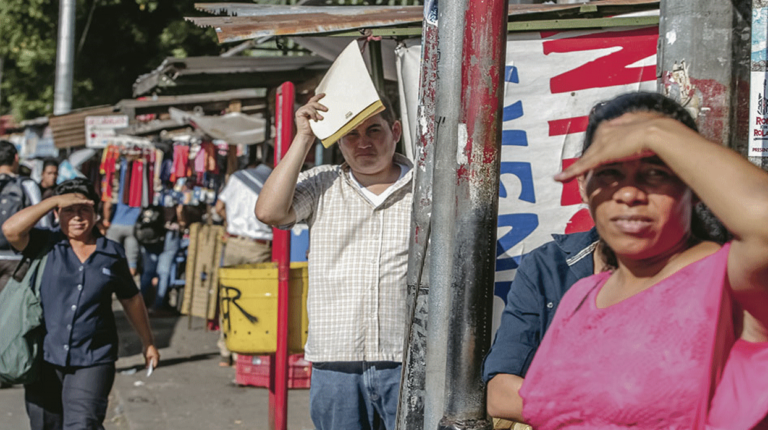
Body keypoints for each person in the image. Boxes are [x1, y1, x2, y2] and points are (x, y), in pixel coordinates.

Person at [500, 92, 768, 428]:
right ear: (584, 185)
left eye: (655, 173)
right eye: (609, 172)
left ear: (694, 187)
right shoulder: (581, 296)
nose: (628, 194)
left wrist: (653, 132)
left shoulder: (729, 281)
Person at [256, 93, 412, 430]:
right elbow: (269, 211)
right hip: (335, 362)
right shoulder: (322, 183)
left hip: (406, 360)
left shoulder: (425, 187)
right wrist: (304, 137)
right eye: (351, 134)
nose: (363, 143)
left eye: (374, 130)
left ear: (395, 131)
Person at [2, 178, 159, 430]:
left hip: (93, 357)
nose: (77, 217)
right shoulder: (44, 244)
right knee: (45, 425)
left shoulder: (111, 253)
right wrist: (54, 200)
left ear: (95, 214)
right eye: (69, 211)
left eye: (84, 209)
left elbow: (130, 298)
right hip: (44, 357)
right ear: (57, 214)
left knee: (83, 423)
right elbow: (11, 230)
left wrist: (148, 342)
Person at [484, 227, 601, 417]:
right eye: (610, 195)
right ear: (584, 196)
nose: (628, 198)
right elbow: (501, 395)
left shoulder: (664, 279)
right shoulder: (547, 265)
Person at [0, 140, 50, 292]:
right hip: (18, 259)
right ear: (16, 158)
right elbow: (43, 221)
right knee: (10, 310)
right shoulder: (26, 184)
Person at [215, 161, 273, 267]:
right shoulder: (273, 180)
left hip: (233, 243)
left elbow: (219, 207)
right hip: (258, 247)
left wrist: (233, 221)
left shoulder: (238, 176)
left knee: (231, 282)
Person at [103, 160, 140, 276]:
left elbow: (108, 204)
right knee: (131, 264)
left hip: (115, 224)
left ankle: (111, 287)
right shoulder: (142, 175)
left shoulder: (117, 176)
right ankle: (127, 290)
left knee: (109, 260)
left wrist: (106, 220)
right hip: (133, 226)